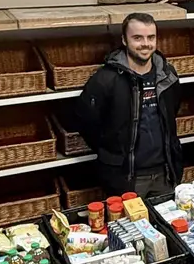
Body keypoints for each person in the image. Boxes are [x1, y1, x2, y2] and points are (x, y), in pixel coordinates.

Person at [74, 12, 183, 199]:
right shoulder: (105, 79)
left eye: (151, 37)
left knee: (167, 225)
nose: (145, 44)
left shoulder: (167, 75)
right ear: (124, 40)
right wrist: (111, 153)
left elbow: (173, 109)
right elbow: (86, 122)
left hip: (165, 174)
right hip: (126, 178)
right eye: (137, 38)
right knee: (129, 228)